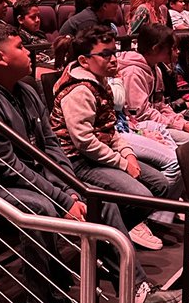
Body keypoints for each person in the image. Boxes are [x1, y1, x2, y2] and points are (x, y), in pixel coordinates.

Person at [0, 23, 174, 303]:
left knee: (99, 201)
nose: (29, 52)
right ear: (0, 58)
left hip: (25, 178)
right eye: (20, 47)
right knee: (39, 210)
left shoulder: (25, 91)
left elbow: (51, 145)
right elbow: (8, 168)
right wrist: (60, 197)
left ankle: (135, 293)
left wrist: (72, 189)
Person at [50, 27, 174, 252]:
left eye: (113, 52)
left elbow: (109, 129)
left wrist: (127, 153)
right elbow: (84, 141)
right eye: (105, 54)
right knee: (142, 196)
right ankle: (112, 241)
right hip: (77, 160)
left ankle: (111, 238)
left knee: (161, 185)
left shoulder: (100, 81)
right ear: (84, 61)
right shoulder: (79, 89)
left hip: (101, 153)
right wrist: (122, 163)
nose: (113, 59)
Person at [117, 24, 189, 142]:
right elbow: (140, 114)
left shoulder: (155, 68)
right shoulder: (133, 72)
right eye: (171, 47)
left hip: (158, 121)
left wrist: (182, 122)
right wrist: (182, 126)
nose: (176, 51)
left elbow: (160, 104)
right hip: (139, 126)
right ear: (155, 48)